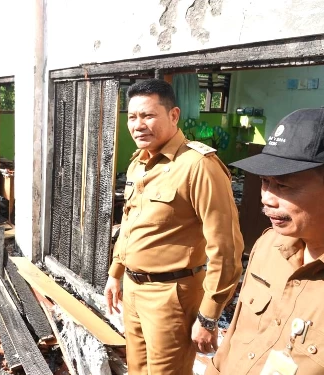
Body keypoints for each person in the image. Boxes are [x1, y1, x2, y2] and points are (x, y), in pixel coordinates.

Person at [104, 79, 244, 374]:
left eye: (148, 115)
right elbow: (129, 223)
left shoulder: (199, 166)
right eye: (132, 117)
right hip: (133, 289)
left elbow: (226, 249)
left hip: (171, 296)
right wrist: (116, 273)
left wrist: (208, 317)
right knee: (137, 369)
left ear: (174, 115)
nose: (138, 125)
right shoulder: (138, 163)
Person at [207, 108, 324, 374]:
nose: (266, 198)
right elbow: (236, 333)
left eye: (283, 186)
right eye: (264, 182)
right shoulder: (268, 247)